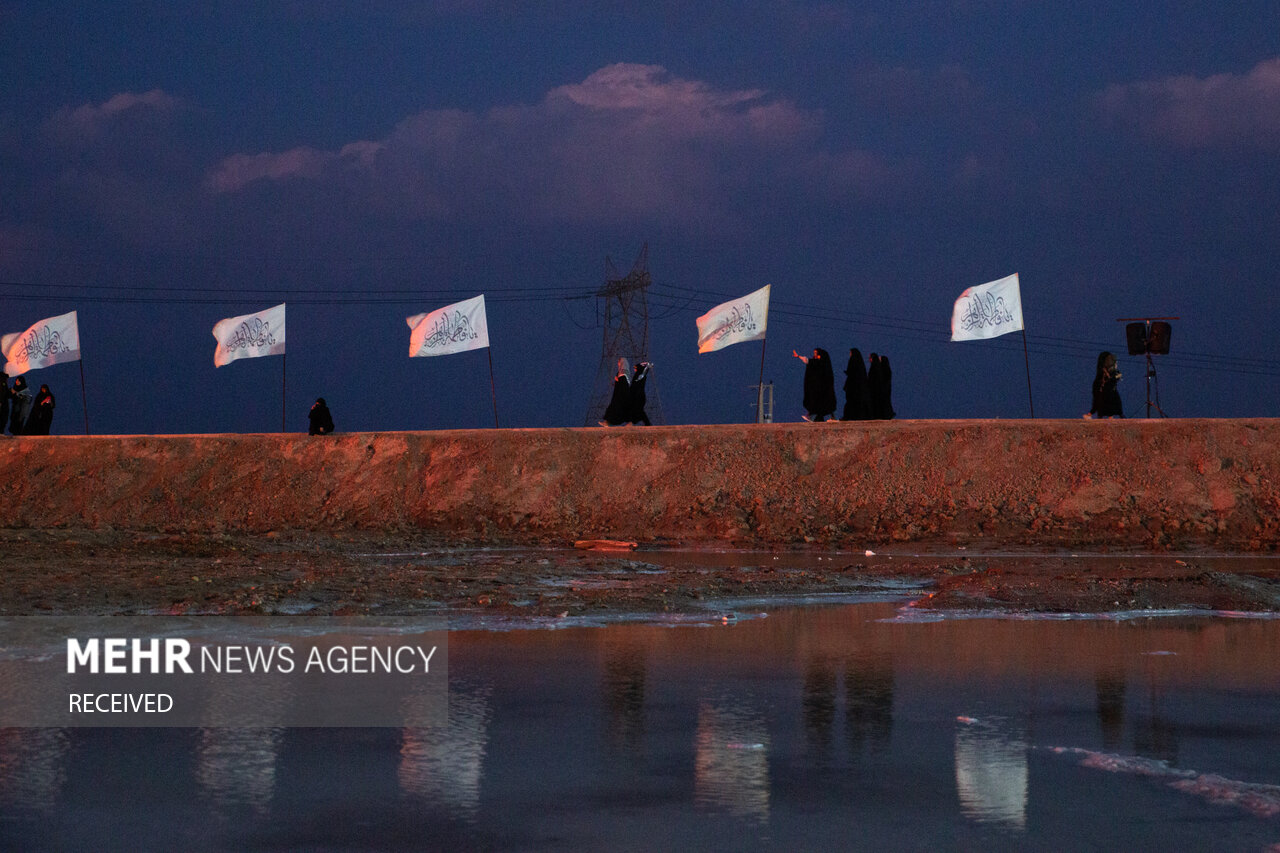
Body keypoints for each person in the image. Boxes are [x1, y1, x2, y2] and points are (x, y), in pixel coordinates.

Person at [793, 348, 837, 422]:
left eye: (816, 353)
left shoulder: (822, 362)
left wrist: (799, 356)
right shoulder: (817, 362)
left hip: (824, 389)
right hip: (818, 389)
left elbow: (810, 361)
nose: (815, 354)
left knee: (827, 402)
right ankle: (812, 417)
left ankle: (832, 417)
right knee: (817, 403)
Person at [1088, 351, 1124, 418]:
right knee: (1102, 404)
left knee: (1116, 404)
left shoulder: (1112, 371)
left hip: (1111, 390)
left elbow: (1118, 376)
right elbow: (1109, 379)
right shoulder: (1103, 372)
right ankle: (1094, 415)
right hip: (1105, 391)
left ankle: (1113, 416)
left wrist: (1115, 377)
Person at [841, 348, 873, 420]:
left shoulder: (853, 360)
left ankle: (849, 416)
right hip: (859, 388)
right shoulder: (860, 363)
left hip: (853, 387)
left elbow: (851, 372)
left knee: (851, 402)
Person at [601, 357, 631, 426]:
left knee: (620, 406)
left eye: (619, 363)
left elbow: (624, 385)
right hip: (619, 396)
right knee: (615, 407)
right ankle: (609, 422)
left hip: (621, 396)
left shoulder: (624, 374)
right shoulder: (620, 374)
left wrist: (618, 381)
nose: (618, 364)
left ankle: (629, 422)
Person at [628, 361, 652, 425]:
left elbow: (635, 386)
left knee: (638, 410)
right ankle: (646, 424)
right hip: (638, 395)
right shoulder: (640, 375)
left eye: (636, 368)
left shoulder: (640, 375)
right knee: (638, 410)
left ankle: (632, 422)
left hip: (638, 396)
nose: (634, 370)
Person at [0, 372, 9, 436]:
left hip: (4, 403)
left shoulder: (4, 384)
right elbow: (2, 393)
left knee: (3, 418)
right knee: (2, 418)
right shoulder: (2, 383)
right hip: (3, 404)